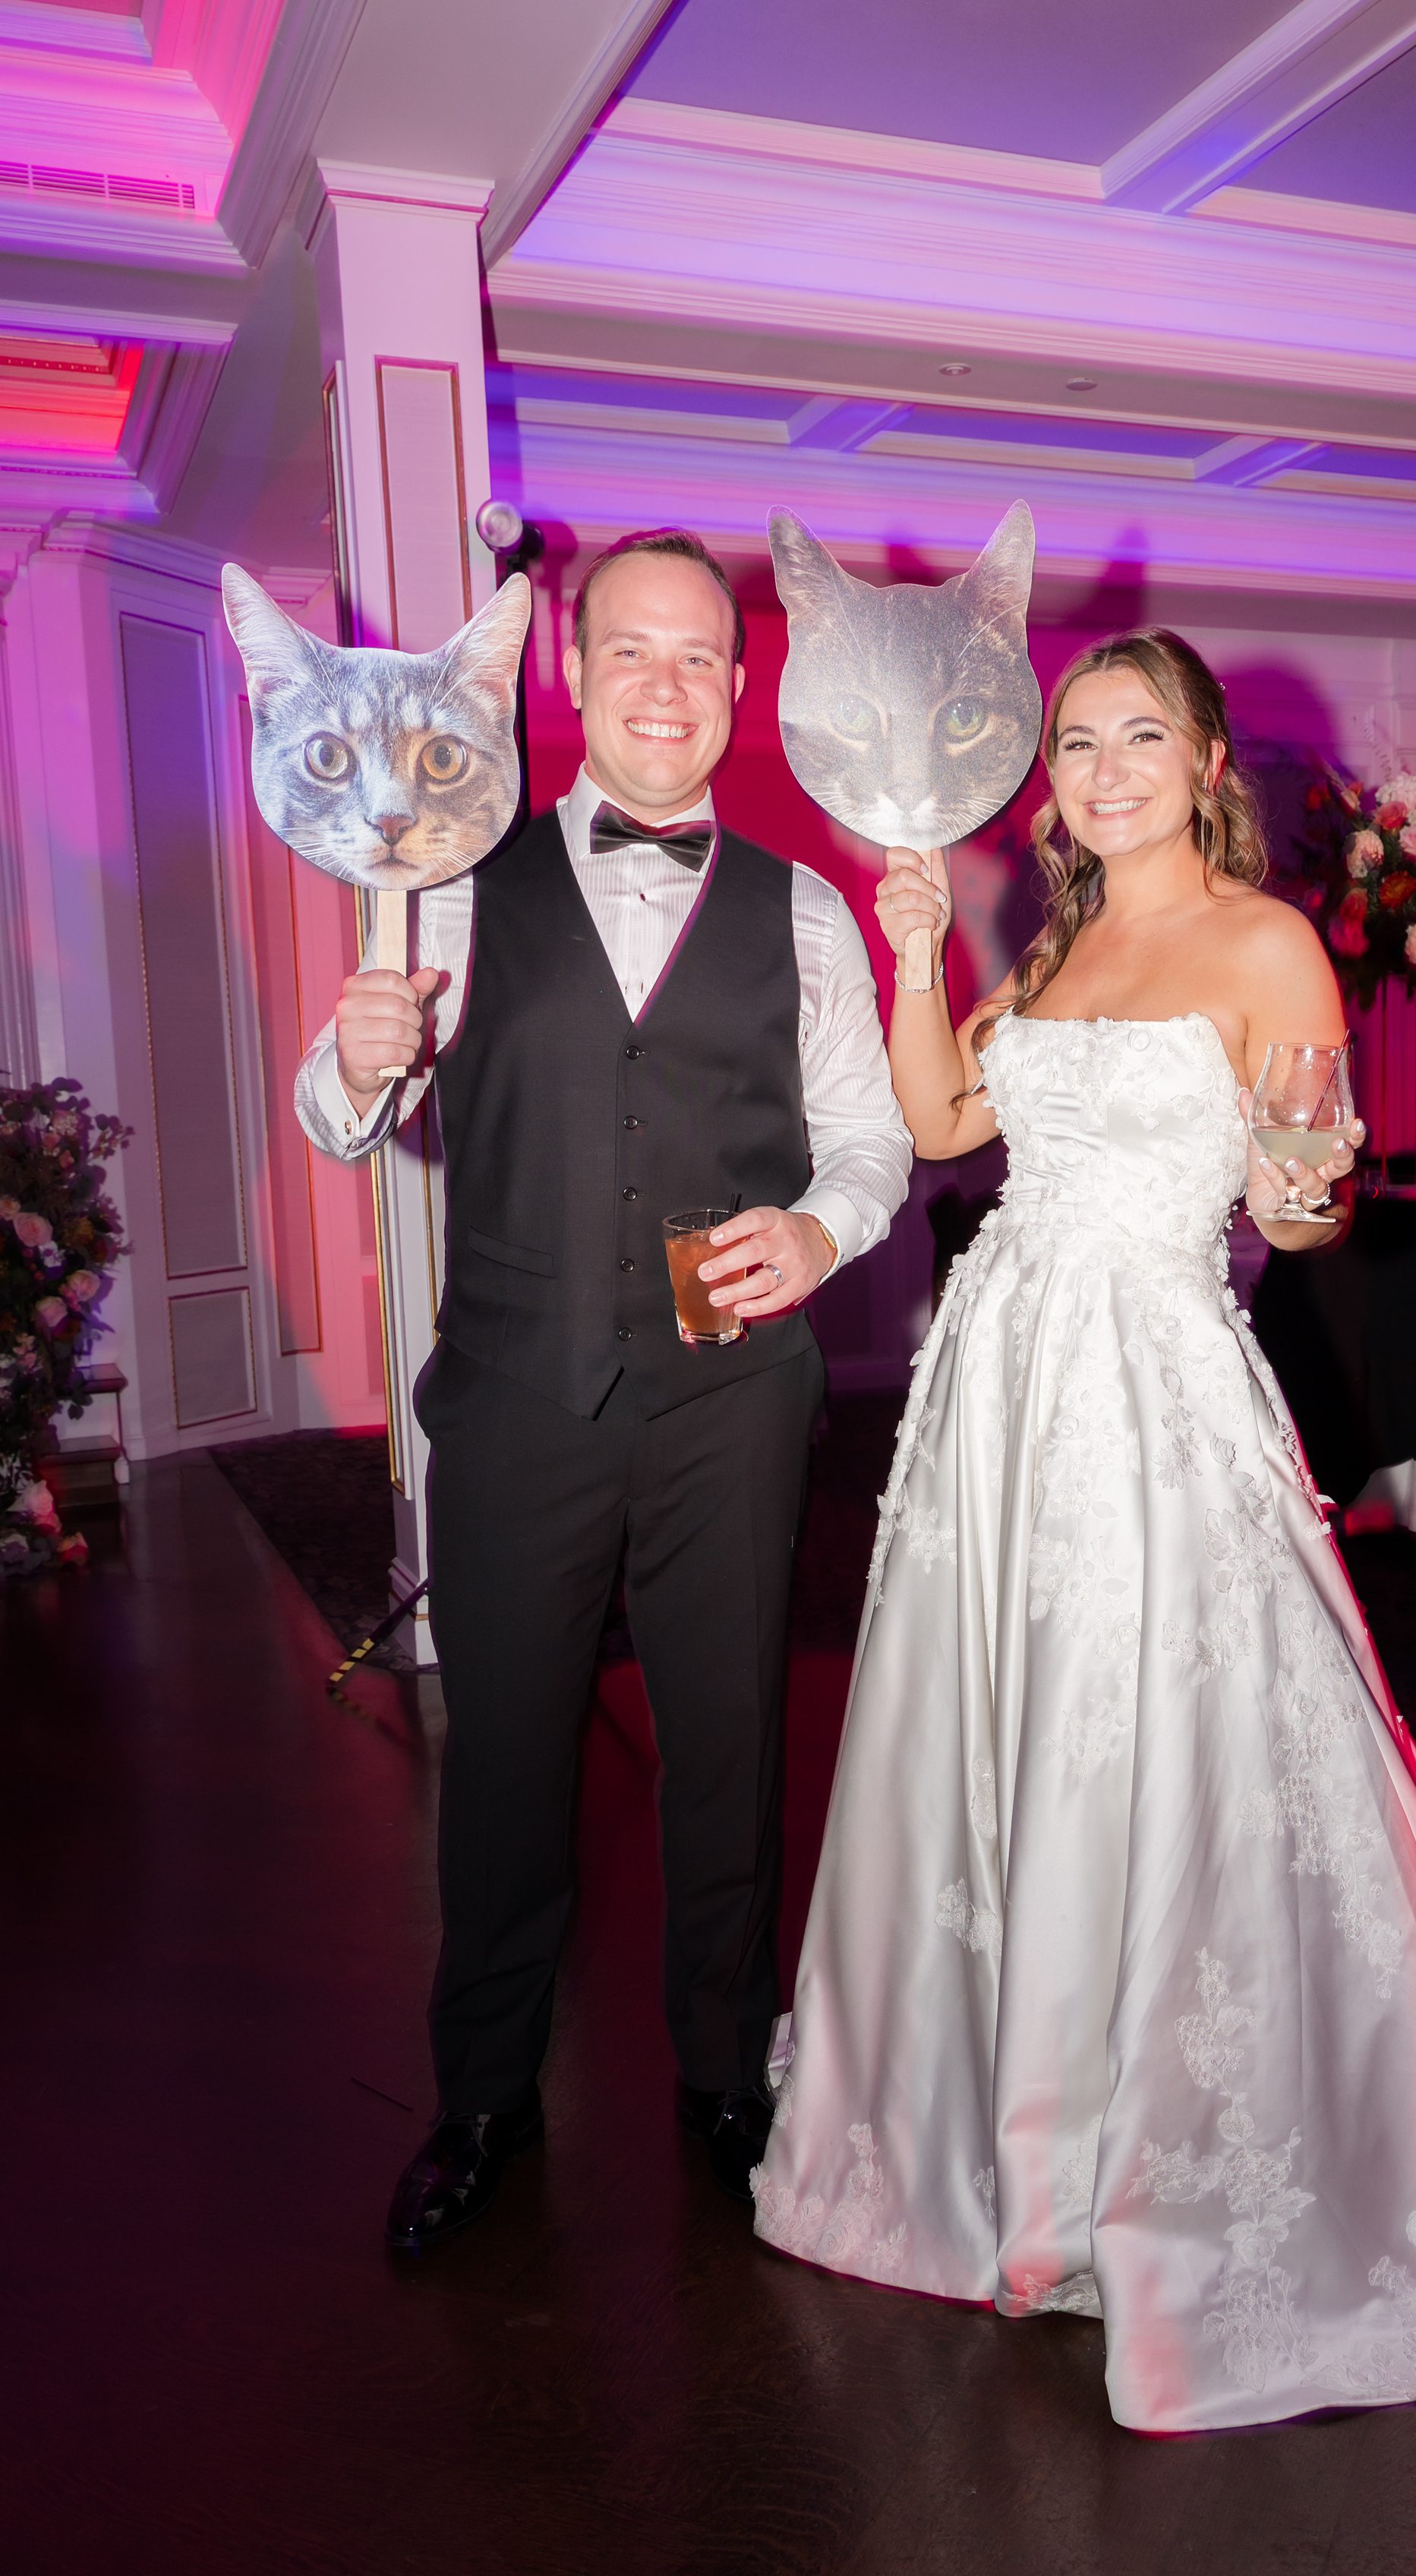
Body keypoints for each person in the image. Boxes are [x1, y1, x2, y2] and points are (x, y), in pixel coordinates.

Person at [752, 629, 1416, 2433]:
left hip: (1152, 1389)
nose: (1102, 768)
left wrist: (1303, 1180)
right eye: (1074, 742)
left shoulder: (1266, 946)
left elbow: (1311, 1205)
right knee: (1011, 1743)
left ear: (1207, 766)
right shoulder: (1052, 943)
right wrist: (909, 954)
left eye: (1141, 736)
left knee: (1170, 1758)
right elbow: (948, 1117)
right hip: (1000, 1395)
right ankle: (1011, 2149)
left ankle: (1165, 2164)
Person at [297, 529, 911, 2244]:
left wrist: (818, 1226)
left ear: (741, 683)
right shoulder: (458, 876)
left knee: (730, 1752)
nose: (664, 683)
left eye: (698, 654)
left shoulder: (801, 908)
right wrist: (349, 1069)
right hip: (512, 1404)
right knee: (502, 1768)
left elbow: (867, 1140)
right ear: (571, 672)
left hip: (736, 1406)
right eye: (629, 650)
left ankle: (727, 2074)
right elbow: (351, 1101)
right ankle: (484, 2099)